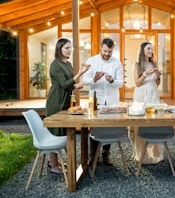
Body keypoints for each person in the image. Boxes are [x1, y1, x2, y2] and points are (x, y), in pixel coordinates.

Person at [46, 38, 90, 174]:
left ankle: (57, 161)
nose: (70, 50)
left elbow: (68, 83)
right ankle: (53, 164)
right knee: (55, 133)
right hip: (56, 102)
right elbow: (63, 84)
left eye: (71, 48)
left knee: (64, 132)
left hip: (66, 101)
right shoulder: (55, 65)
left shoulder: (68, 64)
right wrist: (80, 73)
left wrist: (76, 85)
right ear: (59, 49)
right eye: (67, 48)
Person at [82, 38, 124, 166]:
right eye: (105, 51)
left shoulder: (117, 63)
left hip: (111, 101)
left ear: (113, 50)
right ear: (101, 48)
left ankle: (106, 156)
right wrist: (94, 79)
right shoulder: (92, 61)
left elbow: (121, 83)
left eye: (109, 52)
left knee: (109, 127)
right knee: (94, 126)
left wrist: (112, 81)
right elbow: (84, 80)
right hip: (96, 100)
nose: (107, 54)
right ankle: (92, 157)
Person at [132, 42, 163, 164]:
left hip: (153, 92)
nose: (151, 50)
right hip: (141, 93)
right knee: (141, 123)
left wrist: (158, 76)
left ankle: (156, 154)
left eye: (152, 48)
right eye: (148, 48)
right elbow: (137, 83)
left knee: (155, 122)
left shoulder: (154, 64)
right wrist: (145, 74)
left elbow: (157, 83)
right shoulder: (137, 65)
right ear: (143, 50)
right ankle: (141, 155)